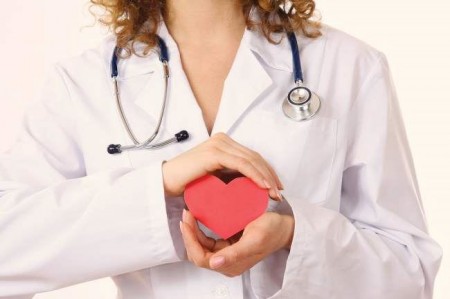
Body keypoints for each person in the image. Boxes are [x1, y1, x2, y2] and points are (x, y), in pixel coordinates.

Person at [0, 0, 442, 298]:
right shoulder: (82, 82)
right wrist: (162, 184)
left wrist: (293, 235)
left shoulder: (350, 66)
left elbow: (410, 273)